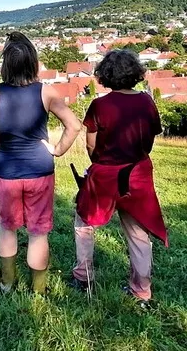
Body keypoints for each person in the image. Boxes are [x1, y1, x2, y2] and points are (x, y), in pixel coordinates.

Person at [0, 32, 81, 294]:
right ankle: (39, 290)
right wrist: (57, 150)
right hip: (39, 171)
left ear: (6, 65)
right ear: (34, 63)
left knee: (7, 228)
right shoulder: (46, 92)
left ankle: (7, 284)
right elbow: (74, 125)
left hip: (5, 172)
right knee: (38, 233)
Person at [71, 49, 168, 305]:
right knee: (138, 232)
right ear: (135, 72)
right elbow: (151, 138)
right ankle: (141, 291)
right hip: (137, 173)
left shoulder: (99, 105)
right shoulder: (147, 101)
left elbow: (90, 144)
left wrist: (100, 163)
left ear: (105, 74)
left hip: (105, 175)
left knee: (84, 220)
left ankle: (83, 276)